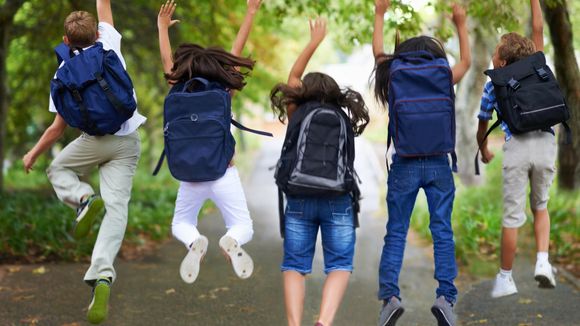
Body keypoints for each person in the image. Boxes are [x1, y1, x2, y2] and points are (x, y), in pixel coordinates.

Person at [22, 0, 146, 323]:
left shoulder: (62, 72)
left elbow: (56, 129)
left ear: (66, 41)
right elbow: (103, 3)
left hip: (92, 142)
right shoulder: (109, 44)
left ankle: (83, 198)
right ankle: (102, 275)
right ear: (96, 33)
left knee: (58, 168)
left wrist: (33, 153)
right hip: (126, 139)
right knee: (117, 209)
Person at [372, 1, 471, 325]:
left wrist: (379, 13)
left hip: (405, 164)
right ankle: (445, 297)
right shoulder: (443, 74)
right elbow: (467, 61)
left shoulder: (395, 72)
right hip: (439, 164)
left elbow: (377, 54)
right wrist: (459, 22)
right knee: (442, 231)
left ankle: (390, 298)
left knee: (396, 232)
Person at [270, 18, 370, 326]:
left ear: (305, 93)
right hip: (337, 198)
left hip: (299, 196)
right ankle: (323, 322)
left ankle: (294, 324)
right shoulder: (342, 115)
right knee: (339, 265)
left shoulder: (297, 111)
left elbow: (294, 77)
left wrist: (314, 41)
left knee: (294, 265)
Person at [157, 0, 262, 284]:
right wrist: (251, 12)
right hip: (222, 170)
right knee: (243, 226)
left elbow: (167, 62)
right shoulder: (222, 92)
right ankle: (231, 240)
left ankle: (194, 242)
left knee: (181, 223)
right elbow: (237, 51)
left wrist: (162, 28)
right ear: (219, 69)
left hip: (189, 175)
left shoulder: (176, 90)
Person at [476, 0, 558, 298]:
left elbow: (483, 122)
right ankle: (542, 262)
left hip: (517, 148)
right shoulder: (537, 63)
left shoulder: (493, 84)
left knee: (512, 217)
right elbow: (537, 27)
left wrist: (482, 149)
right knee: (541, 206)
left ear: (500, 62)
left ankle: (506, 278)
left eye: (495, 51)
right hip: (546, 143)